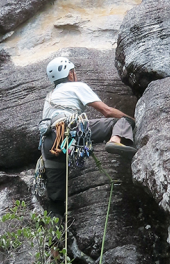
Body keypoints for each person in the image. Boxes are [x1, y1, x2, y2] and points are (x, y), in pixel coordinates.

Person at [38, 56, 135, 203]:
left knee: (56, 196)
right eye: (73, 71)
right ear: (70, 74)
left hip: (49, 144)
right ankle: (115, 141)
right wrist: (131, 120)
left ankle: (57, 220)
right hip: (69, 131)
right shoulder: (76, 86)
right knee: (119, 121)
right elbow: (106, 111)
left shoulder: (49, 97)